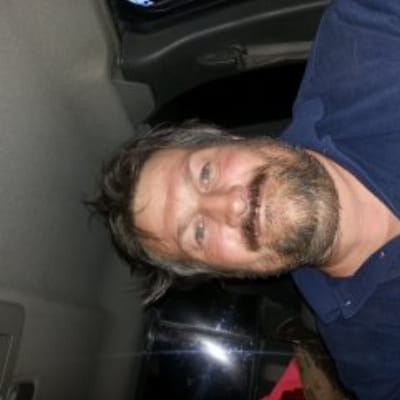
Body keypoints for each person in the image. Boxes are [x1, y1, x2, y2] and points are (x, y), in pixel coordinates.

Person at [91, 0, 400, 398]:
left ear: (232, 139)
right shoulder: (374, 361)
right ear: (226, 271)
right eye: (198, 232)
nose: (229, 205)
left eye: (205, 173)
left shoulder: (367, 34)